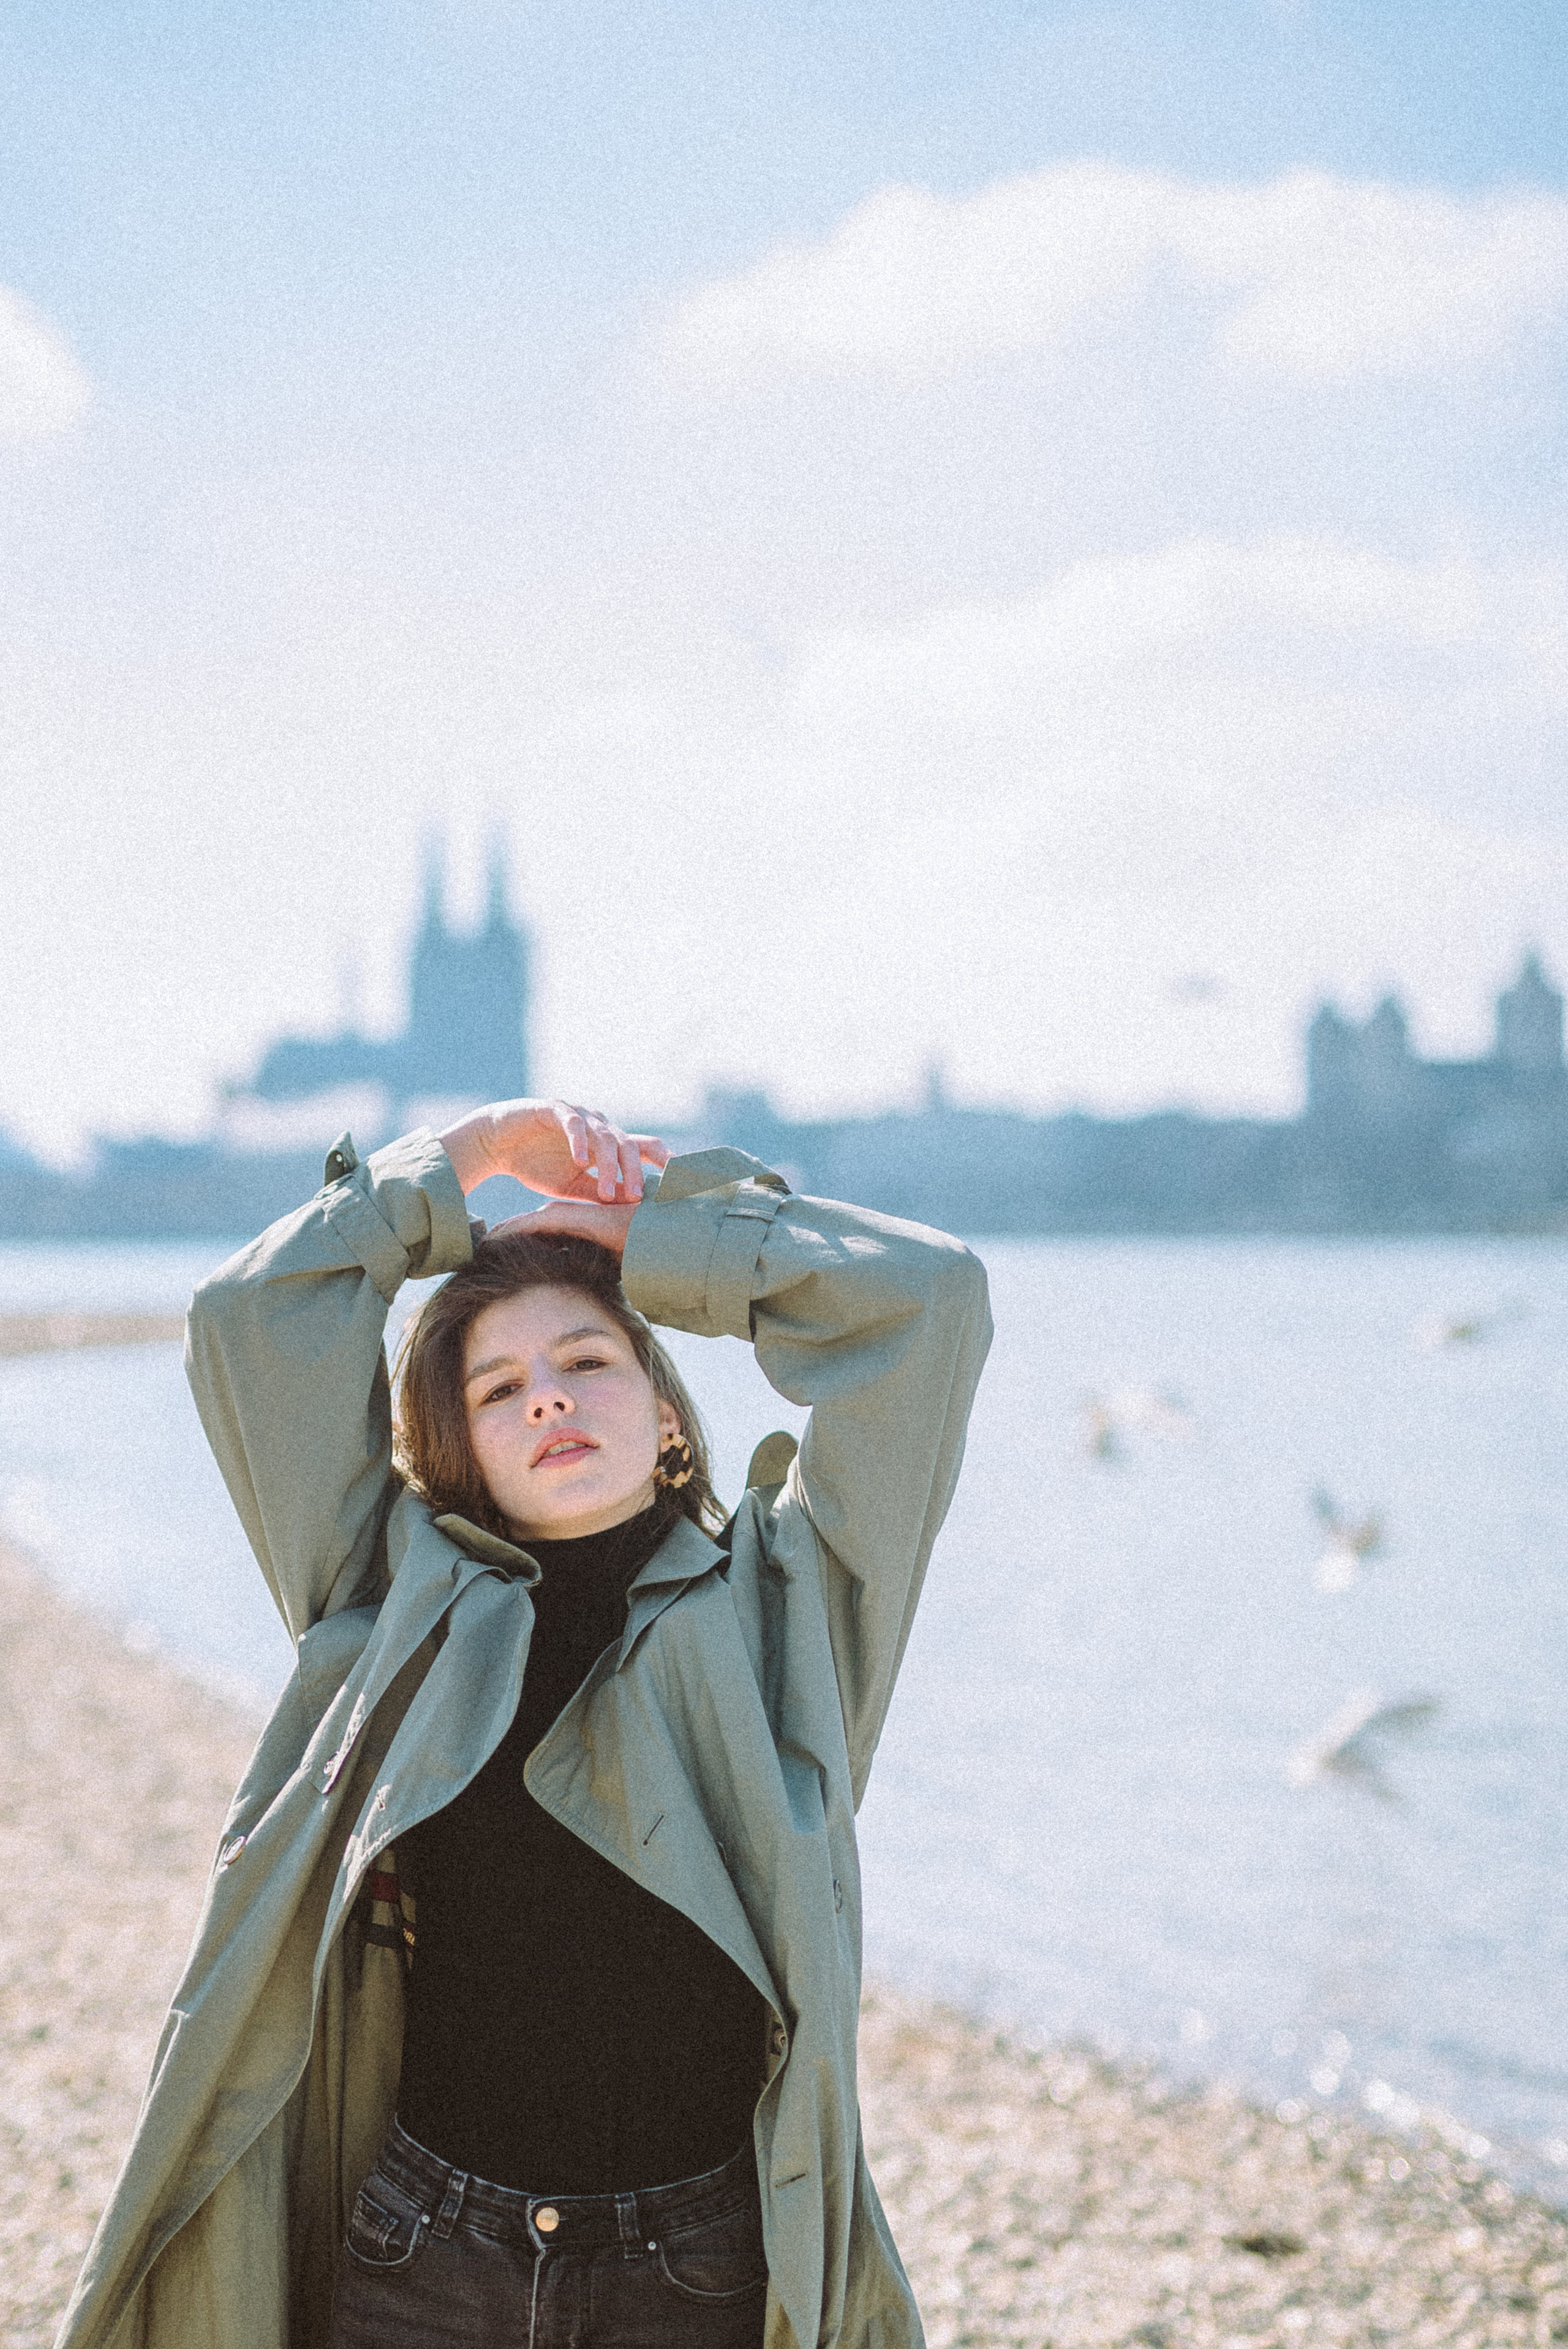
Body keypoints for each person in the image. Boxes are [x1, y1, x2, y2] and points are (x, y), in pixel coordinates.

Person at [55, 1098, 991, 2349]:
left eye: (587, 1361)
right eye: (498, 1389)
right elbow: (249, 1318)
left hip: (699, 2266)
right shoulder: (387, 1598)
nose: (547, 1400)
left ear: (666, 1416)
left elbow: (926, 1305)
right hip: (422, 2251)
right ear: (462, 1455)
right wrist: (478, 1154)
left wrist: (660, 1234)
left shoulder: (787, 1612)